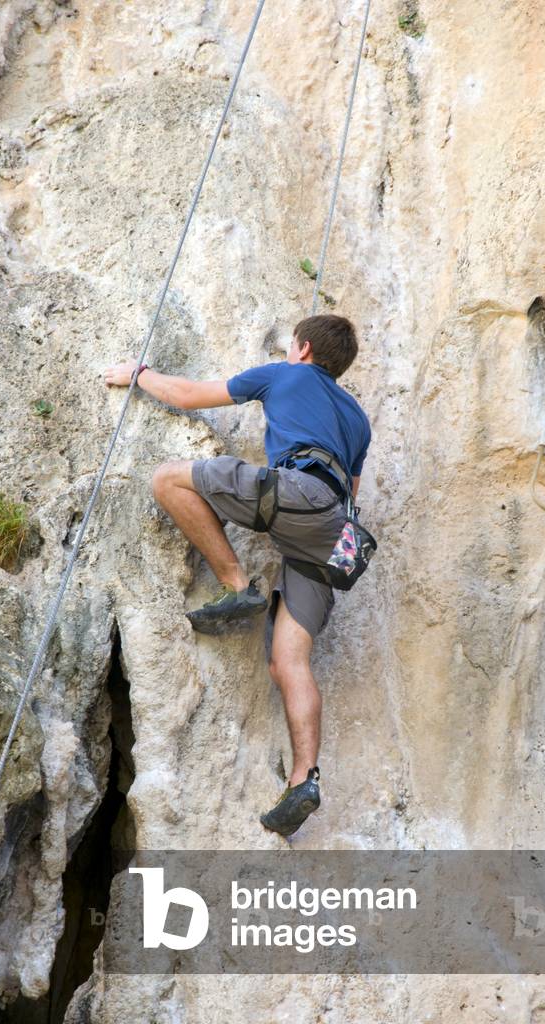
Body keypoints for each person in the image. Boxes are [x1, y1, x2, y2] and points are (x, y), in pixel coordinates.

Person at [104, 314, 371, 836]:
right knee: (289, 660)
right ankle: (303, 778)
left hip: (295, 493)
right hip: (334, 532)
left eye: (293, 345)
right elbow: (352, 494)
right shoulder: (358, 418)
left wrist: (137, 373)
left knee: (168, 480)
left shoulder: (282, 374)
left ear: (304, 348)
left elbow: (184, 394)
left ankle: (236, 587)